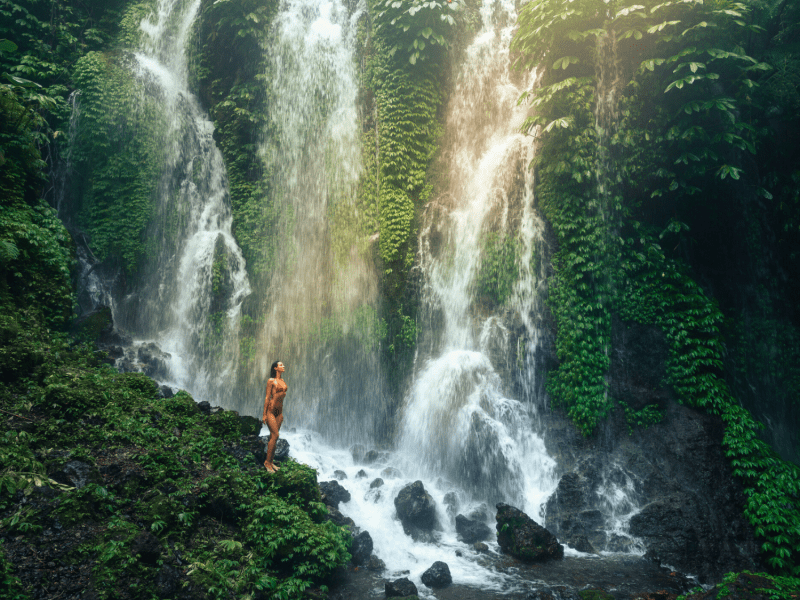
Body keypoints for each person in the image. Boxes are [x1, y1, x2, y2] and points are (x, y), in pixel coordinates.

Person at [262, 360, 287, 473]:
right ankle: (267, 463)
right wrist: (264, 415)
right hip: (271, 412)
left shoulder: (282, 380)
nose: (283, 366)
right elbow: (267, 398)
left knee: (274, 437)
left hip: (279, 412)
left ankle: (271, 462)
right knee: (275, 434)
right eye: (281, 365)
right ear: (275, 368)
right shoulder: (271, 381)